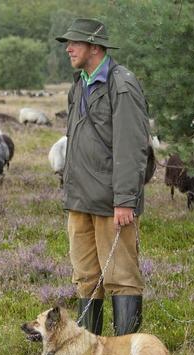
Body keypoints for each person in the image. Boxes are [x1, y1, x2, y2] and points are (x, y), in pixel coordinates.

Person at [56, 18, 150, 336]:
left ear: (94, 47)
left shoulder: (121, 84)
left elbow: (131, 146)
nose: (68, 48)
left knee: (121, 277)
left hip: (112, 203)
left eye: (75, 43)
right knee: (85, 277)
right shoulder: (78, 84)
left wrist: (125, 199)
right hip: (79, 200)